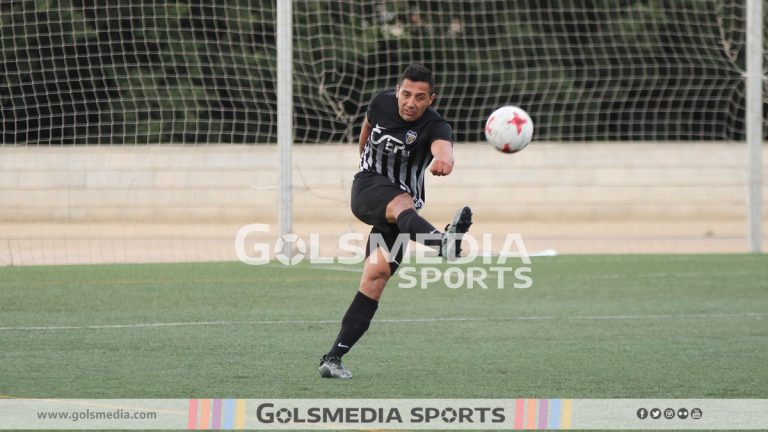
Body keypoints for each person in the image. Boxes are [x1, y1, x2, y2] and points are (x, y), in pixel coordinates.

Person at [318, 64, 473, 379]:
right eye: (406, 94)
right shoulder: (381, 103)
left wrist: (445, 160)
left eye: (419, 97)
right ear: (398, 90)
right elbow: (366, 129)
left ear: (431, 99)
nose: (410, 102)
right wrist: (362, 161)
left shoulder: (437, 126)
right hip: (368, 188)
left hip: (404, 218)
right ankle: (442, 243)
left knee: (375, 277)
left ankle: (333, 358)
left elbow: (444, 149)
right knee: (402, 201)